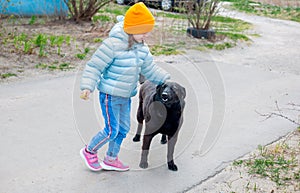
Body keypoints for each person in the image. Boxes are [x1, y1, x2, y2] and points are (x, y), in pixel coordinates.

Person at [79, 2, 170, 172]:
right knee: (111, 130)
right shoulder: (112, 45)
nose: (146, 35)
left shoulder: (142, 49)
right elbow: (94, 66)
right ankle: (89, 151)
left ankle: (111, 159)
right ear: (133, 29)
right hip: (109, 95)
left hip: (126, 96)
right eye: (144, 31)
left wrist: (164, 79)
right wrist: (87, 86)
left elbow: (149, 69)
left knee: (123, 129)